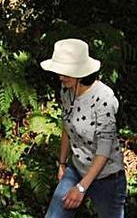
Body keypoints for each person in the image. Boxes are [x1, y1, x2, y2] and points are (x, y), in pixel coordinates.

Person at [41, 39, 126, 217]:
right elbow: (66, 126)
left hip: (106, 177)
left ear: (81, 72)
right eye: (59, 72)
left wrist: (81, 187)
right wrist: (62, 163)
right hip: (77, 168)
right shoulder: (67, 90)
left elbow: (104, 148)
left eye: (66, 73)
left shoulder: (104, 98)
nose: (60, 77)